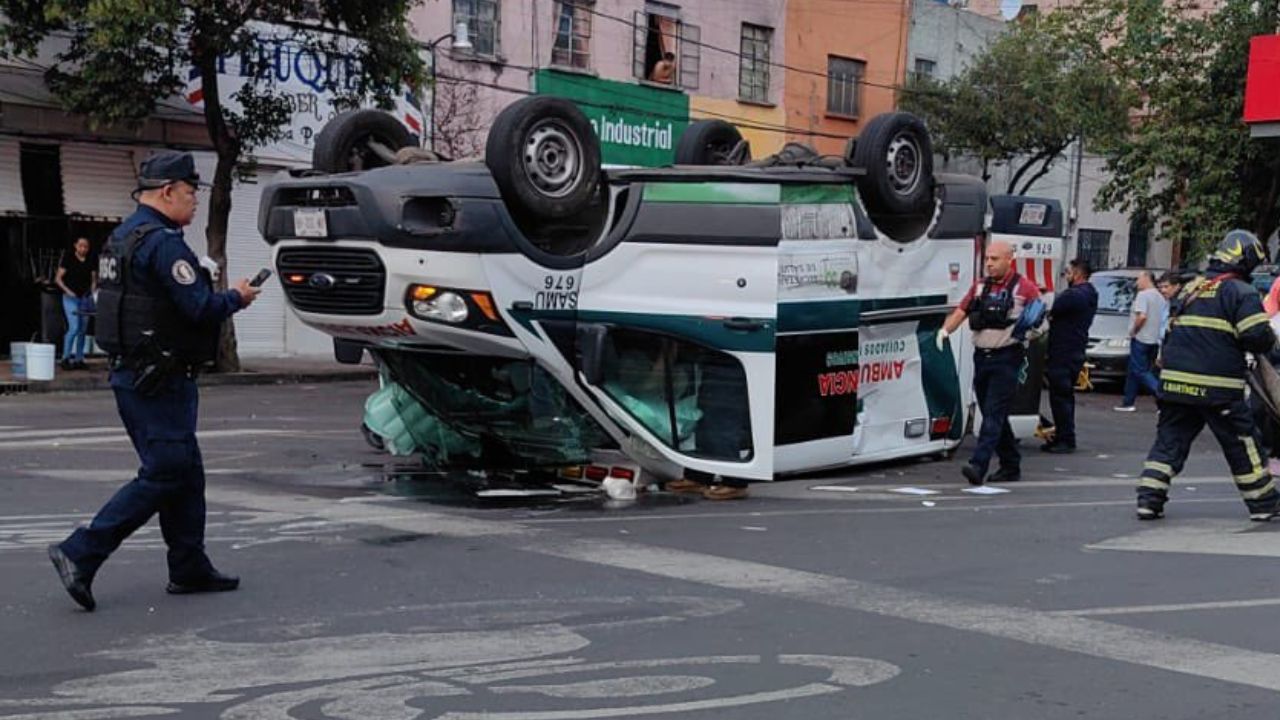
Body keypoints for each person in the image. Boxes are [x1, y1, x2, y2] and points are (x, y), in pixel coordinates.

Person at [47, 151, 262, 611]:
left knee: (186, 471)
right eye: (189, 193)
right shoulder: (164, 243)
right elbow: (199, 308)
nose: (193, 203)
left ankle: (189, 566)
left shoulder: (121, 238)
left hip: (133, 374)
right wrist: (237, 297)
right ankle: (81, 552)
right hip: (159, 379)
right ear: (167, 192)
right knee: (165, 473)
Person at [1134, 229, 1280, 522]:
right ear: (1245, 260)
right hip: (1217, 387)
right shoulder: (1240, 292)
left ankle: (1149, 499)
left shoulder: (1192, 288)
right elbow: (1256, 336)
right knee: (1242, 442)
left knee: (1169, 441)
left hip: (1175, 383)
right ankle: (1263, 503)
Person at [937, 239, 1043, 485]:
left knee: (993, 413)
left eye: (995, 259)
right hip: (982, 357)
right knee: (992, 412)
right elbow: (962, 311)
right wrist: (944, 332)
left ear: (1009, 260)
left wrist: (1024, 334)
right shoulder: (979, 287)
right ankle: (1010, 465)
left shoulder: (1024, 288)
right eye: (987, 259)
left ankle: (978, 465)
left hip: (1007, 357)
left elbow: (1040, 320)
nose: (989, 263)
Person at [1041, 259, 1098, 454]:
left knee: (1060, 397)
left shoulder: (1073, 296)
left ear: (1078, 274)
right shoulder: (1090, 293)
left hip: (1063, 351)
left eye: (1068, 273)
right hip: (1074, 350)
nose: (1066, 276)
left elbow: (1052, 309)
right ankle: (1063, 435)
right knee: (1064, 396)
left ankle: (1065, 438)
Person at [1115, 270, 1166, 412]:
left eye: (1138, 279)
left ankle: (1162, 395)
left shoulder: (1143, 295)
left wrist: (1134, 331)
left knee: (1139, 370)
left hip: (1141, 338)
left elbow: (1142, 316)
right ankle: (1128, 402)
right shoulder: (1160, 297)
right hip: (1155, 339)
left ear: (1146, 278)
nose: (1137, 282)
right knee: (1135, 371)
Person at [55, 237, 96, 370]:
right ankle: (65, 357)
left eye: (86, 246)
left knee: (83, 330)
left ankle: (79, 358)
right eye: (81, 246)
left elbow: (94, 279)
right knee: (74, 327)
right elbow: (58, 279)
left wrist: (92, 294)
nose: (83, 249)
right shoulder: (68, 259)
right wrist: (67, 291)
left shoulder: (91, 260)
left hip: (85, 298)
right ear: (75, 246)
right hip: (70, 297)